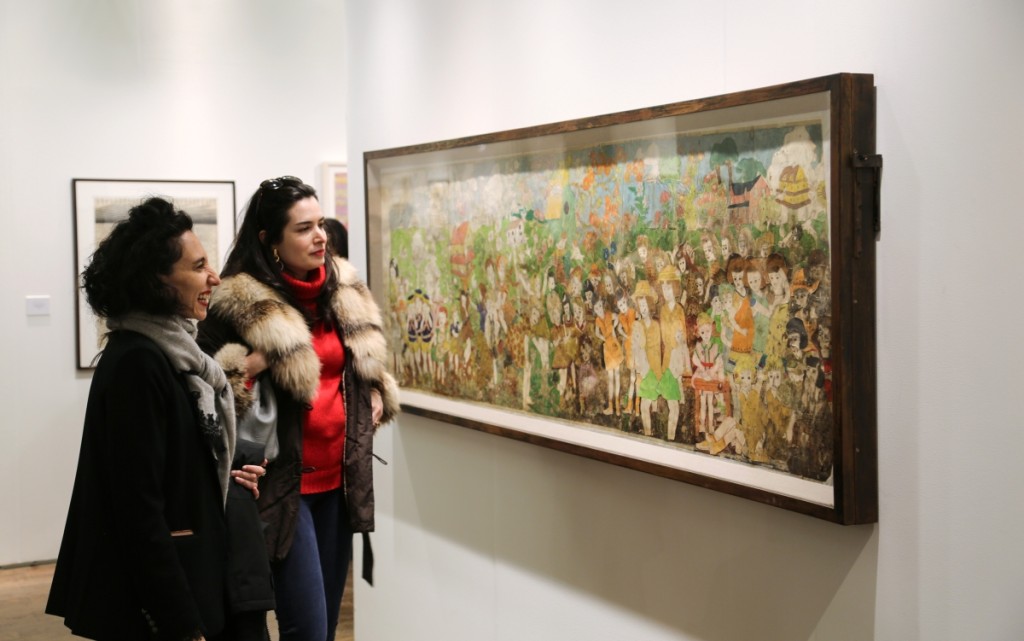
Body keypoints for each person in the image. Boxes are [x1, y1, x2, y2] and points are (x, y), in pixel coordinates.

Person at [46, 197, 271, 641]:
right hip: (165, 598)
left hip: (195, 574)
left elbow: (177, 458)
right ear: (157, 281)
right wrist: (182, 623)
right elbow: (137, 508)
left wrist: (226, 468)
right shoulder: (138, 362)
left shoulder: (181, 354)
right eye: (198, 266)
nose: (214, 278)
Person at [198, 175, 400, 641]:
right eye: (304, 228)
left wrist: (372, 389)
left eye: (321, 224)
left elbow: (358, 364)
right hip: (280, 485)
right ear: (270, 241)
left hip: (341, 479)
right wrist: (252, 362)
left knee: (324, 625)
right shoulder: (238, 304)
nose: (321, 236)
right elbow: (202, 390)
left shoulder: (343, 291)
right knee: (306, 626)